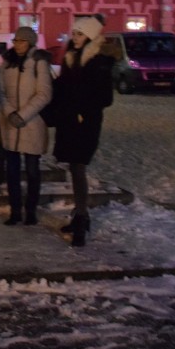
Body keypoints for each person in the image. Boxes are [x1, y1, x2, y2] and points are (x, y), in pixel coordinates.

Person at [53, 15, 117, 247]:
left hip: (86, 123)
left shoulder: (98, 61)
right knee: (73, 166)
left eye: (79, 34)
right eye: (74, 33)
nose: (75, 37)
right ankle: (81, 215)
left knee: (78, 167)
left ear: (90, 36)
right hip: (69, 121)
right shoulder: (71, 58)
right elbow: (64, 87)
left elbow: (105, 97)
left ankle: (81, 218)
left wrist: (83, 108)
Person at [0, 26, 53, 226]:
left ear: (30, 42)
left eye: (22, 41)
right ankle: (15, 211)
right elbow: (0, 91)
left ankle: (30, 211)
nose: (18, 45)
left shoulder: (39, 63)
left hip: (32, 123)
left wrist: (23, 114)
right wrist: (10, 112)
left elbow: (44, 94)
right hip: (11, 124)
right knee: (12, 171)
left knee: (32, 171)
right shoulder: (7, 63)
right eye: (16, 41)